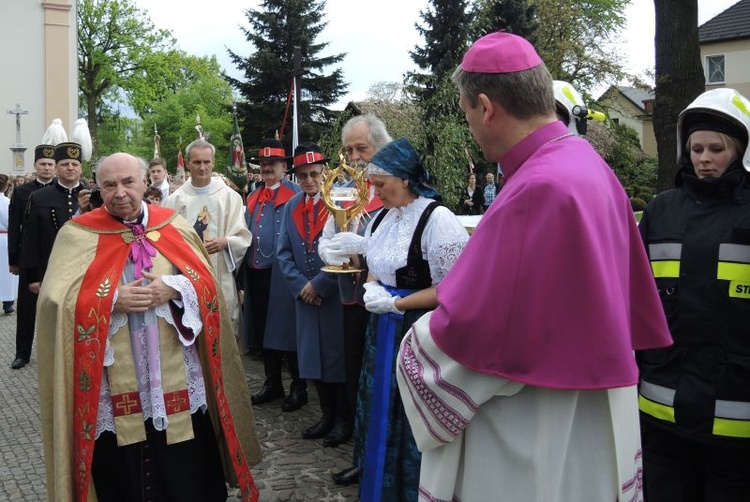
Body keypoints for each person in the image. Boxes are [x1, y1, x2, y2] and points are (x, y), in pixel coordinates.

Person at [395, 32, 672, 502]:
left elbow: (478, 334)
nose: (471, 127)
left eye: (466, 113)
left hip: (536, 426)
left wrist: (414, 349)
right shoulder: (586, 164)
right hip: (591, 404)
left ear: (486, 107)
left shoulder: (538, 188)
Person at [37, 152, 261, 502]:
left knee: (188, 472)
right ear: (99, 187)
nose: (120, 192)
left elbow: (207, 286)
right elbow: (54, 301)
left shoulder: (172, 225)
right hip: (114, 381)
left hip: (173, 371)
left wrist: (173, 287)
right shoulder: (78, 234)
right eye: (109, 185)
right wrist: (110, 301)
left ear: (145, 183)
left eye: (128, 182)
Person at [336, 137, 469, 501]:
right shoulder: (381, 218)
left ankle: (412, 490)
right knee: (377, 405)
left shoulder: (437, 219)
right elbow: (376, 268)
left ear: (405, 179)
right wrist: (372, 288)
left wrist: (398, 304)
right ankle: (378, 486)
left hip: (419, 331)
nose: (375, 192)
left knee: (410, 412)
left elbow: (451, 289)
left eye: (380, 184)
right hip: (381, 330)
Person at [637, 88, 750, 501]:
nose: (704, 158)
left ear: (739, 150)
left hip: (737, 424)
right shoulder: (661, 211)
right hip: (663, 415)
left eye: (716, 149)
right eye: (696, 148)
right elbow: (634, 298)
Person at [318, 114, 391, 484]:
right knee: (355, 377)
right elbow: (330, 231)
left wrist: (367, 250)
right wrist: (330, 251)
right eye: (348, 149)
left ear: (380, 146)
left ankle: (379, 459)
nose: (354, 156)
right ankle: (361, 452)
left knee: (380, 382)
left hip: (389, 304)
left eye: (361, 148)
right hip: (352, 298)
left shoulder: (395, 187)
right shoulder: (344, 187)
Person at [276, 143, 349, 445]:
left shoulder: (341, 201)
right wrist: (301, 287)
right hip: (305, 298)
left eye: (315, 174)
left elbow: (345, 249)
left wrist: (319, 285)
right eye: (304, 175)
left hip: (333, 295)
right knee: (313, 360)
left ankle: (344, 419)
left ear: (325, 172)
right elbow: (282, 254)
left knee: (336, 358)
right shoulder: (292, 205)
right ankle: (326, 414)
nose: (310, 181)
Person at [243, 139, 307, 411]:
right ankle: (273, 383)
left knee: (288, 330)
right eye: (264, 164)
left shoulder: (296, 194)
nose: (267, 168)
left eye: (273, 164)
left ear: (284, 167)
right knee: (263, 328)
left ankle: (298, 386)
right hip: (256, 272)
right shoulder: (253, 196)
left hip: (283, 275)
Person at [164, 139, 251, 337]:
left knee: (224, 325)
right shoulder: (174, 200)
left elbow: (243, 237)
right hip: (186, 274)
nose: (202, 167)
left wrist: (226, 242)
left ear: (213, 163)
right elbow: (166, 241)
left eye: (206, 162)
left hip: (221, 271)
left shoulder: (230, 197)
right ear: (188, 163)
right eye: (197, 162)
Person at [8, 143, 56, 369]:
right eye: (43, 164)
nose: (47, 168)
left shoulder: (62, 190)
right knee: (27, 308)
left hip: (55, 257)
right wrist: (14, 259)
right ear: (35, 165)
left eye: (50, 164)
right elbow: (15, 226)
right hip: (29, 258)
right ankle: (22, 353)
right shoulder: (21, 191)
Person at [0, 174, 18, 315]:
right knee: (6, 272)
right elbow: (10, 222)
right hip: (4, 239)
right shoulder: (6, 202)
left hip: (4, 236)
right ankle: (7, 303)